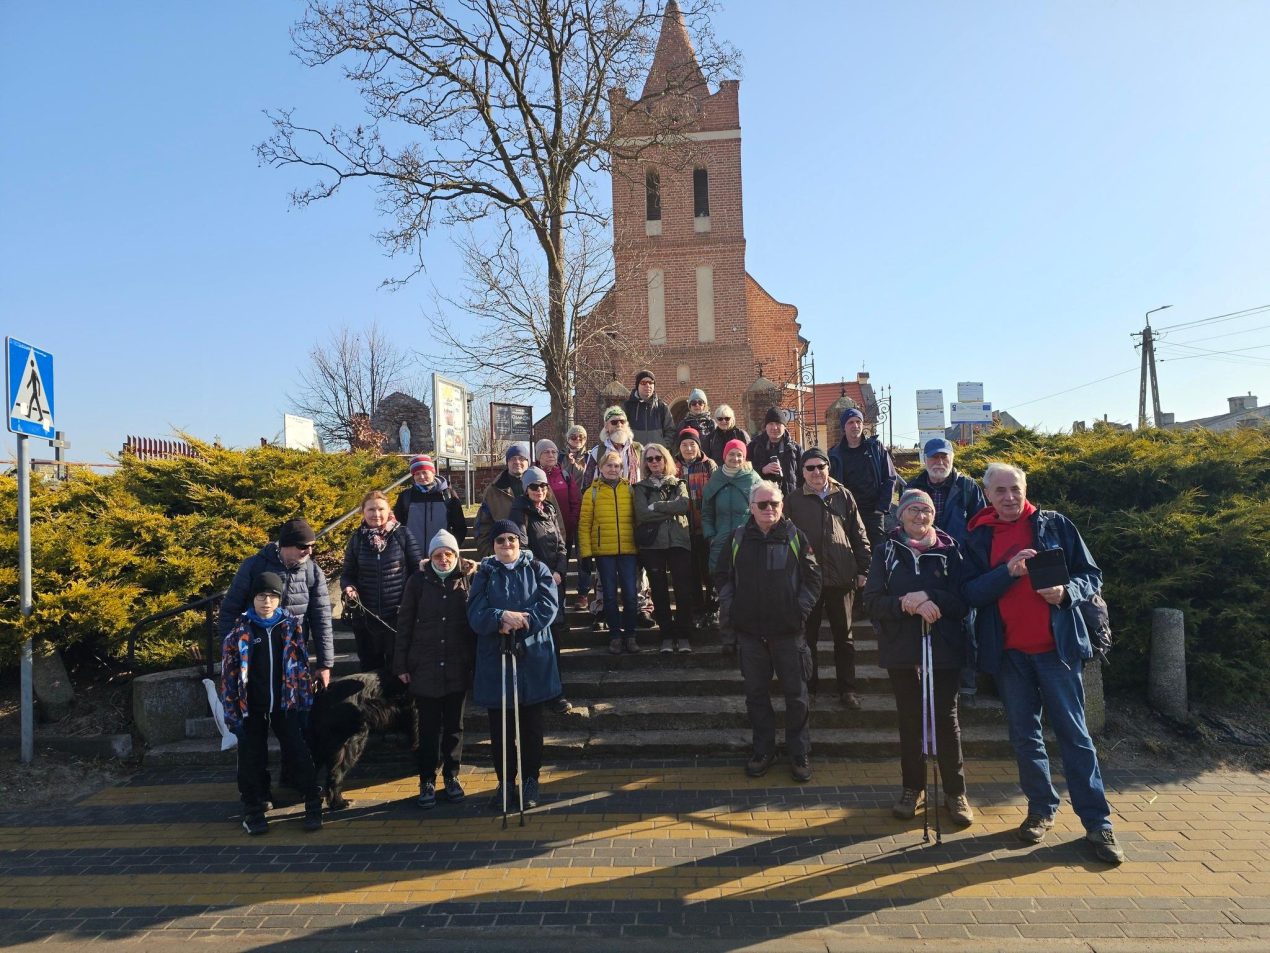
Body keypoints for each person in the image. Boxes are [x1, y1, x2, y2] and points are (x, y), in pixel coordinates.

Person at [962, 462, 1124, 864]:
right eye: (999, 491)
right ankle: (1041, 809)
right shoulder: (979, 536)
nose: (1009, 497)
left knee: (1075, 736)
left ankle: (1097, 823)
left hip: (1057, 651)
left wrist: (1068, 592)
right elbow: (970, 592)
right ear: (987, 495)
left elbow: (1091, 575)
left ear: (1025, 487)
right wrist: (1007, 572)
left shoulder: (1055, 525)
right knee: (1025, 736)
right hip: (1009, 655)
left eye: (1014, 488)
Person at [863, 489, 974, 827]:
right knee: (910, 720)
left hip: (943, 649)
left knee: (945, 720)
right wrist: (905, 603)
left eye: (925, 511)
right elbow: (871, 602)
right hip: (902, 650)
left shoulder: (950, 551)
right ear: (901, 516)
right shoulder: (885, 553)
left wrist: (929, 596)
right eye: (913, 510)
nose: (920, 517)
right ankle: (912, 788)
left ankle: (955, 793)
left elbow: (962, 600)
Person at [717, 483, 822, 782]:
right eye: (762, 504)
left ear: (782, 505)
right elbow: (722, 575)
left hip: (788, 633)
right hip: (750, 633)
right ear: (751, 507)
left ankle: (799, 752)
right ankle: (763, 750)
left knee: (797, 696)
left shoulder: (794, 536)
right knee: (756, 696)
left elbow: (813, 579)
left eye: (774, 503)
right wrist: (733, 606)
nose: (769, 509)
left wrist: (799, 610)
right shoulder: (737, 537)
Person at [467, 519, 561, 811]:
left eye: (511, 539)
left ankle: (531, 780)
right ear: (492, 545)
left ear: (520, 542)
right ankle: (505, 782)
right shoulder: (484, 572)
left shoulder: (537, 569)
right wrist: (499, 618)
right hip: (496, 658)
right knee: (501, 728)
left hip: (531, 655)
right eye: (500, 541)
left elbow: (549, 604)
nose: (506, 545)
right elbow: (474, 610)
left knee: (532, 727)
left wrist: (523, 620)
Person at [220, 571, 322, 835]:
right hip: (251, 707)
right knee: (251, 757)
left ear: (280, 600)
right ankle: (253, 809)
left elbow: (300, 668)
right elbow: (229, 677)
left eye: (272, 597)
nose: (267, 601)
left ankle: (313, 802)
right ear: (253, 598)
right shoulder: (239, 633)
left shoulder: (290, 628)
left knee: (298, 751)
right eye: (261, 596)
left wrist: (303, 704)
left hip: (285, 704)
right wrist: (233, 714)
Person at [393, 530, 477, 809]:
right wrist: (401, 664)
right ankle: (426, 779)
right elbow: (404, 624)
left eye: (448, 554)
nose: (443, 559)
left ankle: (451, 776)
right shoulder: (417, 582)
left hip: (457, 664)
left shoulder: (468, 578)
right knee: (428, 729)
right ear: (430, 557)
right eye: (438, 555)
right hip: (425, 664)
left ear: (457, 555)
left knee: (455, 728)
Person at [784, 448, 871, 709]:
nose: (816, 472)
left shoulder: (843, 495)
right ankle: (809, 687)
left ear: (828, 468)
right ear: (802, 472)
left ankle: (847, 689)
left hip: (842, 577)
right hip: (807, 579)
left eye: (820, 466)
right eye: (810, 468)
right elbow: (785, 540)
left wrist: (864, 569)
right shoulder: (793, 500)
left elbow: (859, 534)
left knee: (843, 638)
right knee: (807, 637)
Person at [907, 437, 988, 705]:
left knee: (964, 626)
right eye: (933, 457)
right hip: (924, 565)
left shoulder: (967, 487)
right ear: (925, 459)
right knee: (923, 624)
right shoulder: (914, 487)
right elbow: (903, 525)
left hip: (959, 567)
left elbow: (981, 528)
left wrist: (973, 563)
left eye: (944, 457)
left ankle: (967, 687)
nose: (939, 462)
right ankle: (926, 685)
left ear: (952, 459)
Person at [219, 517, 333, 690]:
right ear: (285, 545)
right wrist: (231, 654)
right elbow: (229, 611)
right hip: (256, 653)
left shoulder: (313, 572)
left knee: (291, 711)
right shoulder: (253, 566)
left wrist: (325, 664)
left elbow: (322, 620)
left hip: (293, 655)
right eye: (303, 546)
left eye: (312, 546)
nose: (309, 551)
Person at [509, 466, 573, 714]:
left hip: (555, 581)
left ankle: (555, 690)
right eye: (534, 486)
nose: (539, 490)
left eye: (543, 486)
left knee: (554, 639)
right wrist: (548, 574)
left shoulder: (549, 510)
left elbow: (561, 544)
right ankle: (545, 692)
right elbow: (523, 547)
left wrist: (560, 570)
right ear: (526, 489)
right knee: (541, 640)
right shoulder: (520, 511)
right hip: (535, 584)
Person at [340, 489, 423, 672]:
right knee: (369, 667)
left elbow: (417, 571)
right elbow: (347, 574)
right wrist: (349, 587)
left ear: (389, 511)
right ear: (363, 511)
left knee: (399, 667)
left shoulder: (403, 534)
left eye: (380, 509)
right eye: (371, 510)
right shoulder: (356, 539)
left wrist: (410, 602)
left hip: (398, 615)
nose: (376, 514)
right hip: (366, 617)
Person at [701, 439, 764, 652]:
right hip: (721, 542)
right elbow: (707, 511)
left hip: (746, 541)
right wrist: (711, 534)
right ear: (724, 456)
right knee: (726, 596)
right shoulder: (715, 479)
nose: (735, 459)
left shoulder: (753, 479)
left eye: (739, 455)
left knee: (746, 594)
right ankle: (729, 639)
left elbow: (761, 509)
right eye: (731, 454)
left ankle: (747, 638)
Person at [634, 443, 695, 654]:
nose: (654, 462)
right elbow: (642, 514)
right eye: (649, 459)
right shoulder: (640, 487)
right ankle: (666, 635)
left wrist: (657, 507)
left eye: (658, 458)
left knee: (683, 590)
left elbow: (684, 505)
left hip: (679, 541)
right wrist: (670, 509)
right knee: (659, 591)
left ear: (665, 459)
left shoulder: (679, 483)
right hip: (653, 545)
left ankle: (684, 634)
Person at [578, 449, 641, 654]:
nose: (613, 469)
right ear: (601, 468)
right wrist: (586, 554)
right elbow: (585, 524)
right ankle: (615, 635)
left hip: (628, 550)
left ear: (622, 468)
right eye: (609, 465)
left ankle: (630, 635)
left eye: (617, 466)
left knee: (631, 595)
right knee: (610, 597)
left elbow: (637, 520)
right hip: (604, 552)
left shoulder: (630, 490)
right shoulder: (592, 492)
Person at [827, 408, 897, 549]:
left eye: (858, 422)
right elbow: (830, 483)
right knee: (852, 552)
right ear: (844, 427)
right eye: (850, 422)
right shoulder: (835, 453)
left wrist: (881, 508)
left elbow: (890, 477)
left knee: (878, 552)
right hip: (847, 513)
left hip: (873, 512)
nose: (855, 425)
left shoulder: (875, 448)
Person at [674, 426, 719, 627]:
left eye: (692, 444)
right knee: (690, 574)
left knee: (709, 572)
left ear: (698, 446)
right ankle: (697, 610)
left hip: (706, 526)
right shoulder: (673, 466)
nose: (689, 448)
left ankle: (713, 610)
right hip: (683, 528)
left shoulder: (709, 465)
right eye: (685, 444)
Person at [393, 454, 467, 554]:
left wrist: (451, 549)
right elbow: (397, 526)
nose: (421, 476)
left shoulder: (448, 495)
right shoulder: (405, 497)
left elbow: (460, 527)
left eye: (424, 472)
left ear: (433, 472)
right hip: (412, 555)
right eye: (417, 474)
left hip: (441, 555)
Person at [473, 442, 533, 558]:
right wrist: (490, 553)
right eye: (512, 459)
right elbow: (482, 525)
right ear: (507, 463)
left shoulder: (540, 487)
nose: (517, 462)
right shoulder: (494, 490)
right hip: (504, 553)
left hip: (539, 554)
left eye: (521, 458)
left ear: (528, 462)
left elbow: (555, 522)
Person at [561, 424, 594, 610]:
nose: (577, 440)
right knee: (562, 555)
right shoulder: (559, 457)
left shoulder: (591, 458)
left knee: (584, 556)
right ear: (568, 439)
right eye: (574, 437)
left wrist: (576, 466)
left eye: (581, 437)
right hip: (564, 511)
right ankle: (561, 592)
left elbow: (590, 479)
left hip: (584, 510)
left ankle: (583, 594)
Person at [581, 407, 643, 488]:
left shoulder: (637, 449)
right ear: (606, 426)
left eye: (622, 421)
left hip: (632, 499)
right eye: (614, 422)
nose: (619, 425)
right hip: (605, 499)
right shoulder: (597, 452)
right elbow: (587, 483)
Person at [747, 407, 802, 498]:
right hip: (763, 501)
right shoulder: (754, 446)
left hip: (790, 500)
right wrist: (762, 470)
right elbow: (745, 472)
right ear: (766, 426)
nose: (774, 427)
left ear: (784, 426)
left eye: (778, 424)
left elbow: (804, 474)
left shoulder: (795, 449)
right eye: (771, 424)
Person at [622, 369, 677, 447]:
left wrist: (663, 447)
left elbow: (670, 431)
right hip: (635, 455)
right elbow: (620, 430)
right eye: (643, 383)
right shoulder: (627, 407)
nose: (647, 385)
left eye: (651, 382)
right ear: (637, 385)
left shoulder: (662, 407)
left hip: (655, 457)